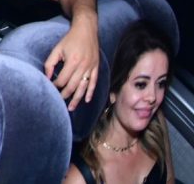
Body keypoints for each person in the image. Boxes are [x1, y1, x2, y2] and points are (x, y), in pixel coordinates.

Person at [66, 20, 175, 184]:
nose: (152, 97)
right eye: (141, 84)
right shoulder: (79, 178)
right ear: (113, 92)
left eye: (161, 84)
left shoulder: (157, 128)